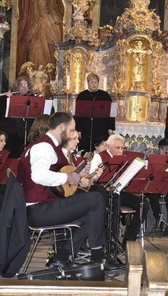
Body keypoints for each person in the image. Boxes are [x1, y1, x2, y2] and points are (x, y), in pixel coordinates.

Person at [17, 112, 115, 269]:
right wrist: (68, 178)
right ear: (61, 127)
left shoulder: (49, 146)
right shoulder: (43, 147)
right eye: (71, 130)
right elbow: (38, 176)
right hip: (38, 209)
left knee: (93, 212)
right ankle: (97, 259)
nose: (72, 135)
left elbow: (56, 176)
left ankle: (62, 257)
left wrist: (77, 175)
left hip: (45, 205)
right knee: (96, 199)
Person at [89, 134, 149, 244]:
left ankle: (128, 240)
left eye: (122, 148)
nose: (120, 151)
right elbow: (91, 178)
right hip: (103, 193)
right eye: (117, 148)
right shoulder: (99, 157)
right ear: (108, 147)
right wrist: (97, 175)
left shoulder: (125, 159)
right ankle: (111, 240)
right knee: (115, 202)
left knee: (143, 204)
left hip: (119, 191)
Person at [0, 76, 36, 158]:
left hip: (24, 133)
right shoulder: (7, 96)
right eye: (21, 84)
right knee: (10, 156)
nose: (24, 87)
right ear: (17, 86)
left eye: (26, 85)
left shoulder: (32, 99)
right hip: (9, 133)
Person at [74, 73, 115, 153]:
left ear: (98, 83)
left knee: (101, 149)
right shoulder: (82, 96)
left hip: (101, 128)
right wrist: (78, 129)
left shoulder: (105, 96)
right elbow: (77, 115)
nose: (93, 85)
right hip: (85, 128)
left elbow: (111, 114)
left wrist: (111, 128)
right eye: (91, 82)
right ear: (88, 83)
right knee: (84, 150)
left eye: (95, 82)